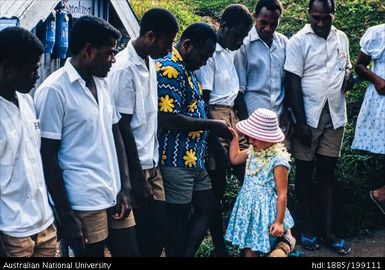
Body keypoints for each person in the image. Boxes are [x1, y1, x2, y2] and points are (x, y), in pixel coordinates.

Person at [34, 16, 139, 257]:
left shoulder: (102, 84)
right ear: (88, 51)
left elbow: (116, 135)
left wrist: (125, 186)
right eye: (109, 53)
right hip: (83, 201)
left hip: (114, 194)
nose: (113, 59)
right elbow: (47, 156)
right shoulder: (53, 90)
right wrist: (66, 214)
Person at [156, 23, 232, 257]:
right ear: (187, 45)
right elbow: (167, 118)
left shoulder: (187, 69)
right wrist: (213, 125)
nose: (205, 61)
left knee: (208, 207)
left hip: (193, 160)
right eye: (202, 55)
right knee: (177, 220)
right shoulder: (170, 69)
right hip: (175, 159)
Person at [108, 8, 179, 256]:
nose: (169, 50)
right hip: (134, 166)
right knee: (141, 236)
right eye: (167, 43)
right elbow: (122, 126)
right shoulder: (124, 68)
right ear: (150, 36)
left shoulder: (150, 62)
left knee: (159, 229)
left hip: (152, 162)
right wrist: (136, 179)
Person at [284, 0, 353, 255]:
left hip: (335, 115)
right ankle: (307, 229)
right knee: (303, 174)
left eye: (326, 18)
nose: (321, 23)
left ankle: (328, 231)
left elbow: (345, 69)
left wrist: (347, 78)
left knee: (327, 174)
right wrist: (300, 122)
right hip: (308, 118)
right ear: (309, 15)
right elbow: (292, 81)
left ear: (333, 14)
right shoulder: (298, 41)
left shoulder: (341, 38)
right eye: (316, 18)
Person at [195, 4, 253, 256]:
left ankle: (248, 241)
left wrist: (247, 126)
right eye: (237, 36)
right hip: (215, 119)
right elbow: (205, 103)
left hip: (231, 119)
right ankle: (219, 246)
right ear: (224, 27)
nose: (240, 43)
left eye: (243, 38)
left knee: (249, 180)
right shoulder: (211, 55)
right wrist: (215, 141)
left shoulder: (230, 52)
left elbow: (235, 97)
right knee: (216, 188)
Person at [0, 27, 56, 257]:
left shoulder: (27, 101)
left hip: (43, 224)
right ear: (7, 67)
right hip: (12, 233)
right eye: (32, 69)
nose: (37, 74)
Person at [224, 108, 294, 257]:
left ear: (269, 138)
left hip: (264, 211)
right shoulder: (253, 151)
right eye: (250, 136)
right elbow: (235, 158)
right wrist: (234, 138)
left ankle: (286, 244)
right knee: (249, 249)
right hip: (248, 209)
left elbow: (282, 194)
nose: (250, 141)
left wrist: (279, 222)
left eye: (256, 138)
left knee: (262, 247)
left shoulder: (278, 160)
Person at [234, 0, 289, 126]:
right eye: (263, 23)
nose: (268, 28)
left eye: (273, 24)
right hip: (253, 118)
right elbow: (239, 90)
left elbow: (287, 83)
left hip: (278, 120)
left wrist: (287, 112)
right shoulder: (244, 44)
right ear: (255, 17)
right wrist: (245, 123)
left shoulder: (284, 43)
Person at [351, 24, 385, 216]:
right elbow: (359, 65)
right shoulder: (377, 33)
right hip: (382, 99)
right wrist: (376, 79)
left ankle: (381, 194)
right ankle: (379, 195)